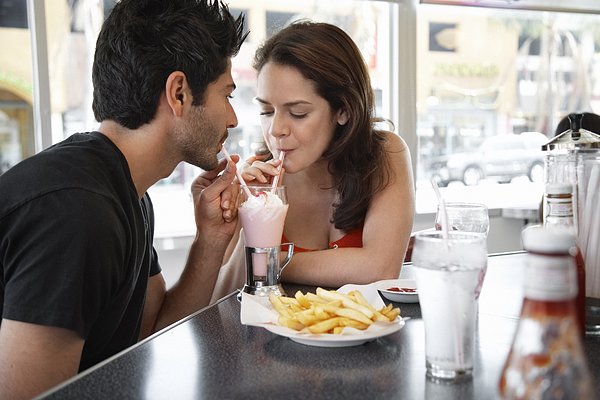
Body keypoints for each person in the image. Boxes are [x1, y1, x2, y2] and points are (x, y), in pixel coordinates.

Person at [0, 0, 247, 398]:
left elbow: (150, 333)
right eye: (227, 94)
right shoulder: (76, 212)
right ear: (179, 93)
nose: (233, 118)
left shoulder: (127, 191)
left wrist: (211, 241)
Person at [212, 21, 415, 297]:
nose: (276, 130)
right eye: (267, 111)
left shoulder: (384, 155)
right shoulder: (256, 181)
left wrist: (272, 260)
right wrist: (248, 223)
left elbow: (380, 269)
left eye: (297, 113)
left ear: (342, 110)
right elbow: (219, 306)